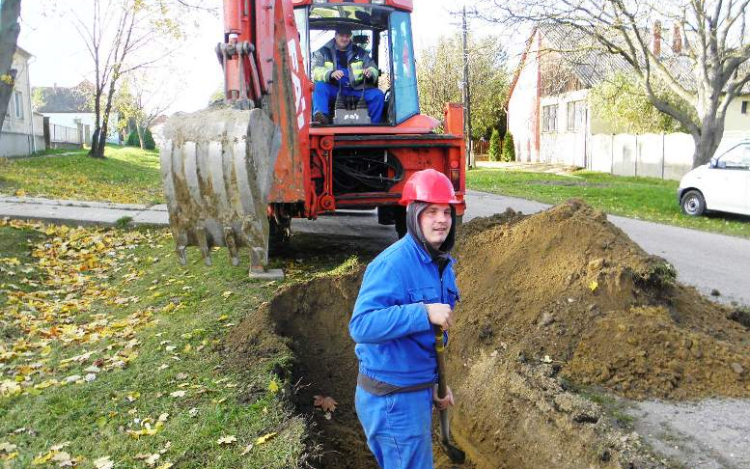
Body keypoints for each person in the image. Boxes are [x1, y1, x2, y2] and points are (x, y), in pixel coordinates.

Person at [349, 169, 461, 469]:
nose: (441, 220)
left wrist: (435, 385)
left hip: (416, 388)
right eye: (432, 211)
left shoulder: (439, 263)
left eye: (447, 211)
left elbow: (430, 338)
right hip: (393, 401)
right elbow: (361, 326)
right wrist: (422, 312)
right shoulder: (393, 264)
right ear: (414, 215)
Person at [311, 25, 385, 124]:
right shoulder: (322, 52)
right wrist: (330, 73)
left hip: (357, 89)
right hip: (334, 89)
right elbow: (315, 71)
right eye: (342, 35)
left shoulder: (361, 52)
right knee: (319, 87)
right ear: (336, 35)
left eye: (347, 36)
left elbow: (373, 67)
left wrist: (370, 72)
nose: (345, 38)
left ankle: (374, 126)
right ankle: (321, 119)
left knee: (378, 95)